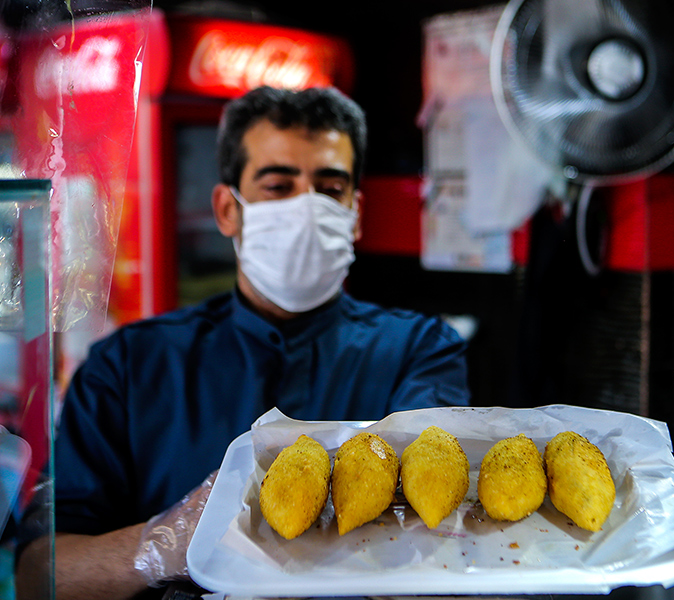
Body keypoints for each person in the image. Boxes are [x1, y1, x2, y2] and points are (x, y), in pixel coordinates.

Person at [15, 86, 470, 600]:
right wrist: (163, 546)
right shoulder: (127, 366)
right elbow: (38, 574)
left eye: (329, 186)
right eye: (278, 185)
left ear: (355, 212)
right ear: (228, 209)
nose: (306, 206)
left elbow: (430, 513)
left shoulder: (420, 348)